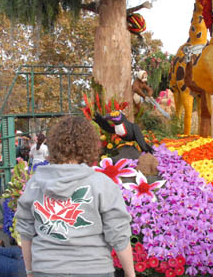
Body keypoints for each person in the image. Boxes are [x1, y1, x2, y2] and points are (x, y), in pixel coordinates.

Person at [15, 116, 135, 277]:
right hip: (94, 269)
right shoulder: (102, 184)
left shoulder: (35, 183)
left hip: (46, 269)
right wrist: (130, 274)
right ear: (90, 145)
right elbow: (119, 235)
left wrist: (29, 271)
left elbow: (25, 231)